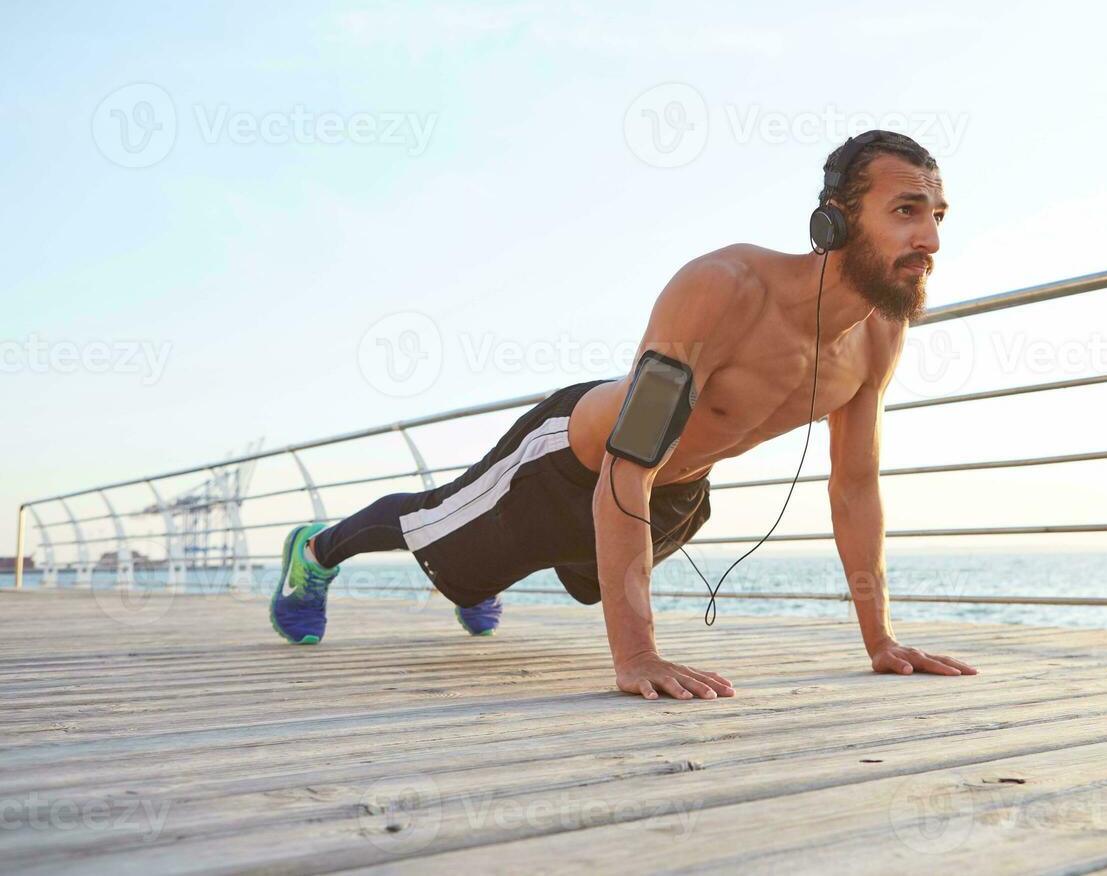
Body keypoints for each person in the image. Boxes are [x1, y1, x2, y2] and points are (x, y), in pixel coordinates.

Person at [270, 130, 979, 699]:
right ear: (835, 221)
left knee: (546, 575)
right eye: (906, 211)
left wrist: (880, 641)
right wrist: (637, 655)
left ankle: (483, 576)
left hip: (671, 495)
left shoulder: (882, 333)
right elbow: (629, 456)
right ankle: (317, 551)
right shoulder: (724, 288)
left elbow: (855, 487)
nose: (931, 241)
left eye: (937, 215)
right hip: (568, 465)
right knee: (440, 527)